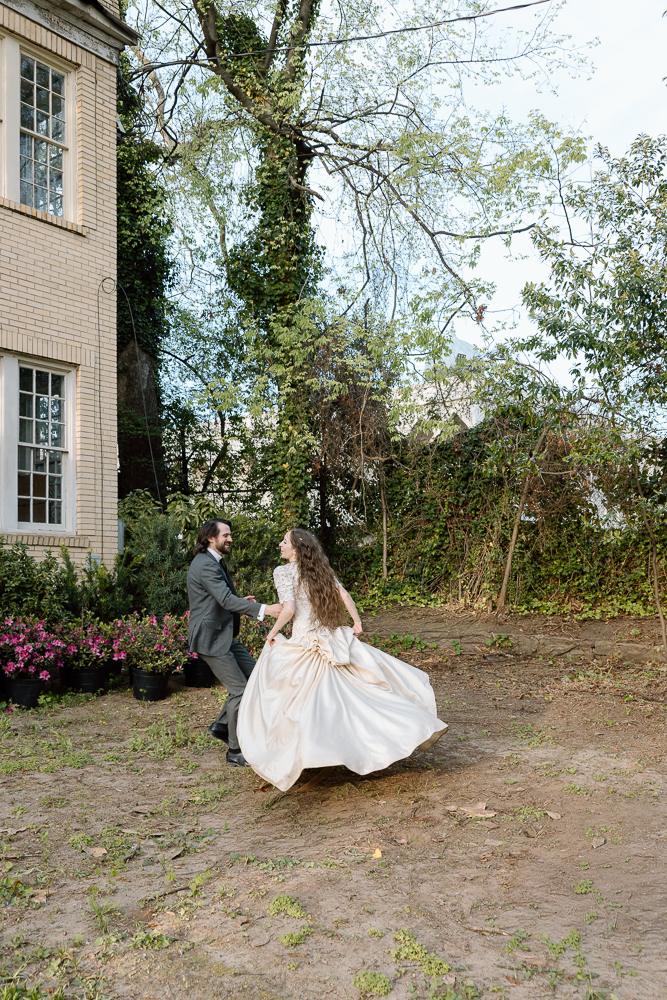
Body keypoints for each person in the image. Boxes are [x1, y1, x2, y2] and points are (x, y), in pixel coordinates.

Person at [237, 528, 448, 790]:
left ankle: (313, 751)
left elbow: (290, 608)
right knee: (350, 695)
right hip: (329, 639)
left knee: (301, 699)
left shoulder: (282, 572)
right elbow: (344, 595)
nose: (280, 545)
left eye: (284, 541)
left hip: (305, 642)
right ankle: (395, 728)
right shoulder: (320, 570)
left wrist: (273, 631)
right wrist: (357, 623)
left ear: (296, 549)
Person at [187, 518, 282, 767]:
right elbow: (226, 600)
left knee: (255, 676)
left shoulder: (213, 561)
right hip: (211, 638)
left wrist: (241, 601)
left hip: (224, 634)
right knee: (240, 690)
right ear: (210, 538)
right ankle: (234, 750)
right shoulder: (206, 564)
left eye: (230, 534)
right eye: (226, 535)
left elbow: (221, 598)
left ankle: (221, 725)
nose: (230, 539)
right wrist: (264, 609)